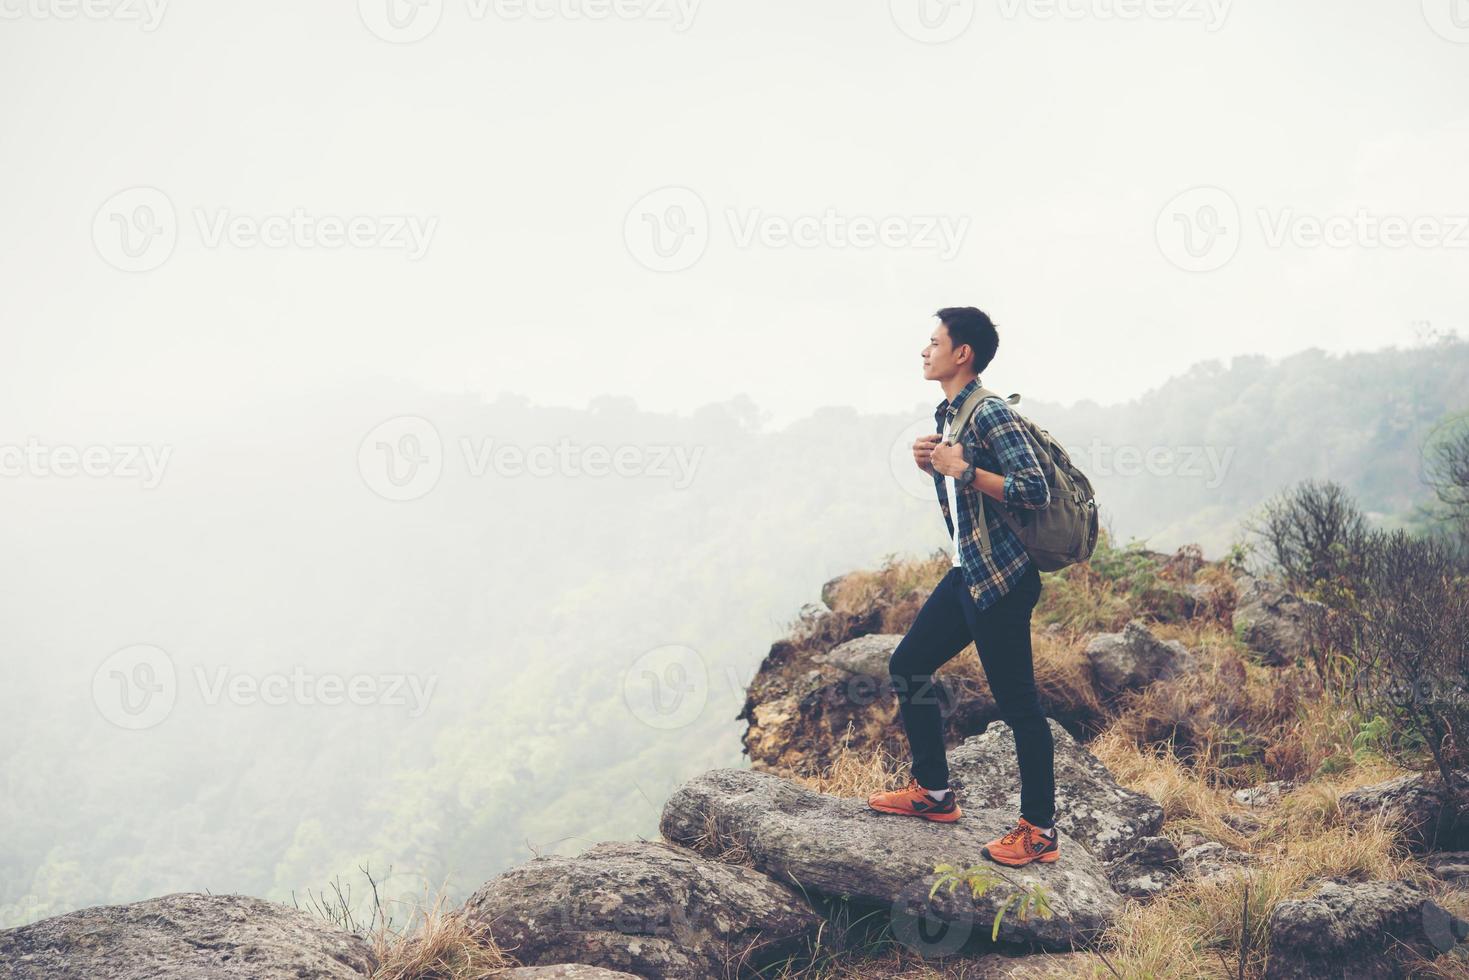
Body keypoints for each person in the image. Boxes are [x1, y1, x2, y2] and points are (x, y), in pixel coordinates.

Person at [866, 306, 1060, 867]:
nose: (924, 351)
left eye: (933, 341)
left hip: (1001, 581)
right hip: (968, 573)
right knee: (908, 664)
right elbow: (966, 494)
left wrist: (963, 470)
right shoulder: (949, 412)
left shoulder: (990, 412)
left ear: (962, 354)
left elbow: (1034, 490)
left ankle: (1039, 830)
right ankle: (934, 793)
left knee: (1019, 706)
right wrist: (938, 467)